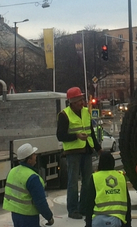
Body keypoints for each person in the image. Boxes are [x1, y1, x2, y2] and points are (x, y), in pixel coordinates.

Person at [57, 87, 101, 219]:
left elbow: (91, 132)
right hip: (73, 152)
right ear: (72, 102)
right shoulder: (64, 115)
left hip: (87, 150)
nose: (82, 102)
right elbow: (60, 136)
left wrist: (98, 149)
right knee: (73, 182)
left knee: (87, 182)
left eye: (82, 100)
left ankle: (83, 208)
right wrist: (76, 136)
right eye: (79, 100)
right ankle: (73, 209)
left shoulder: (86, 113)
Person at [3, 143, 55, 227]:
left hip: (16, 215)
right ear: (29, 160)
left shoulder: (12, 171)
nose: (36, 156)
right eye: (34, 155)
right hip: (29, 217)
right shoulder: (32, 177)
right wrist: (49, 217)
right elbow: (40, 202)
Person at [80, 152, 131, 227]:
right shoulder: (120, 177)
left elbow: (89, 203)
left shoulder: (95, 177)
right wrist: (128, 223)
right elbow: (127, 202)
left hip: (98, 220)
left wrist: (88, 223)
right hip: (118, 220)